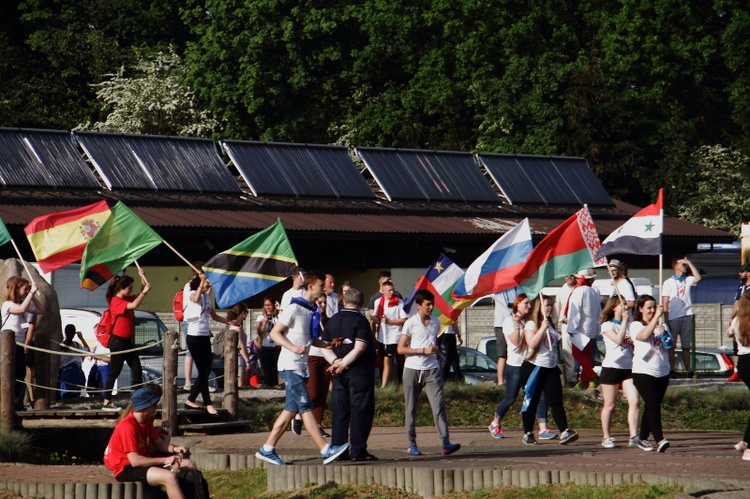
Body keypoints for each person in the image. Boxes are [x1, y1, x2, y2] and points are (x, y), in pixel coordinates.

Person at [254, 272, 349, 466]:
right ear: (310, 287)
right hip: (290, 365)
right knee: (306, 407)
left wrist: (327, 345)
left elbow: (309, 339)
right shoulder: (294, 308)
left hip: (300, 366)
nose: (324, 289)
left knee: (291, 409)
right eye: (321, 286)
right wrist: (292, 347)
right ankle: (325, 449)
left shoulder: (309, 309)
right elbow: (274, 333)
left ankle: (267, 449)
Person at [104, 386, 209, 499]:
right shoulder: (127, 426)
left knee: (189, 464)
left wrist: (175, 449)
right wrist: (165, 460)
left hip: (142, 464)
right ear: (146, 406)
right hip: (127, 469)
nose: (156, 406)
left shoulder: (145, 421)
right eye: (154, 404)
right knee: (169, 477)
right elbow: (135, 461)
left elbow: (160, 445)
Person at [397, 289, 461, 456]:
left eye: (432, 304)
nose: (431, 307)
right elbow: (400, 348)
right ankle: (411, 444)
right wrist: (421, 351)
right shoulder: (410, 323)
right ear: (418, 306)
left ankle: (445, 442)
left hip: (432, 370)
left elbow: (434, 344)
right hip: (412, 369)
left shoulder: (435, 322)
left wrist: (437, 357)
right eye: (428, 304)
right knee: (411, 408)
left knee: (439, 406)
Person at [320, 286, 378, 461]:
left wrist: (335, 362)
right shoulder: (361, 321)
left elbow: (323, 347)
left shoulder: (333, 320)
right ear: (361, 303)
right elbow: (359, 348)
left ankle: (339, 449)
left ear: (343, 301)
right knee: (361, 410)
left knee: (340, 411)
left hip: (338, 374)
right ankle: (358, 450)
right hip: (359, 372)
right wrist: (344, 363)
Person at [518, 296, 578, 446]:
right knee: (532, 401)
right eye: (547, 305)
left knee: (556, 399)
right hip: (534, 367)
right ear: (539, 306)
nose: (550, 308)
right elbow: (531, 343)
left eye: (551, 305)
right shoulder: (532, 324)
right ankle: (528, 433)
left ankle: (565, 431)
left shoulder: (549, 323)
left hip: (550, 367)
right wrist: (542, 328)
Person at [184, 273, 234, 416]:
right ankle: (208, 403)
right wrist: (202, 281)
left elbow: (213, 315)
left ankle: (191, 400)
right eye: (207, 282)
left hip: (205, 337)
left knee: (206, 369)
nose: (209, 284)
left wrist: (228, 322)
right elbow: (195, 298)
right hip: (194, 337)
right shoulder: (192, 293)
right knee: (203, 371)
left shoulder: (206, 297)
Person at [102, 271, 150, 411]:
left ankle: (138, 400)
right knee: (114, 371)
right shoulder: (116, 301)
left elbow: (140, 295)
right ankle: (106, 401)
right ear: (121, 288)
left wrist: (142, 277)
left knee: (137, 369)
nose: (131, 290)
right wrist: (144, 292)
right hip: (117, 341)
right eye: (129, 288)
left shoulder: (126, 299)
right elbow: (134, 305)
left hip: (127, 341)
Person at [630, 295, 671, 452]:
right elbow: (644, 336)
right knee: (653, 405)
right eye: (649, 307)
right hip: (643, 371)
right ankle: (660, 439)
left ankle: (642, 439)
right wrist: (656, 320)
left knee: (652, 405)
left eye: (654, 307)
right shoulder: (635, 325)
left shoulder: (662, 324)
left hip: (662, 371)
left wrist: (664, 333)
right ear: (640, 309)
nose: (652, 310)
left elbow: (669, 344)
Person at [488, 294, 531, 439]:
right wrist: (518, 326)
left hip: (529, 364)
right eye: (526, 303)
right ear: (517, 305)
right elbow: (515, 343)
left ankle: (542, 427)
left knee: (535, 395)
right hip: (515, 366)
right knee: (510, 397)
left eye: (529, 303)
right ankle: (495, 423)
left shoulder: (530, 321)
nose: (529, 306)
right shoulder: (509, 322)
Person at [599, 296, 640, 449]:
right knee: (610, 404)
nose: (625, 308)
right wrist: (623, 322)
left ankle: (634, 435)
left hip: (628, 368)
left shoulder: (629, 325)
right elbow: (617, 339)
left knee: (634, 400)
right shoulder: (607, 325)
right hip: (611, 368)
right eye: (621, 305)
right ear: (614, 308)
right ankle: (606, 436)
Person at [1, 277, 44, 411]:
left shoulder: (23, 302)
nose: (26, 291)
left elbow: (41, 310)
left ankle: (15, 402)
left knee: (20, 372)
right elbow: (21, 309)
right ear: (17, 289)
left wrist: (33, 295)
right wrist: (31, 294)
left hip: (19, 343)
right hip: (8, 343)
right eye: (25, 289)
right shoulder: (8, 304)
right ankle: (8, 403)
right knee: (9, 373)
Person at [662, 257, 701, 378]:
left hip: (687, 315)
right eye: (682, 264)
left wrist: (689, 262)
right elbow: (665, 301)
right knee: (672, 346)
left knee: (686, 346)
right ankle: (672, 369)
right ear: (676, 266)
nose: (684, 266)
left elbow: (698, 278)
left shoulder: (688, 279)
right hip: (674, 317)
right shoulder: (668, 282)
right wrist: (666, 318)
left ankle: (688, 370)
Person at [566, 269, 601, 389]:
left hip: (580, 329)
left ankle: (592, 375)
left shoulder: (579, 291)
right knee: (586, 356)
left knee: (577, 354)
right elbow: (598, 312)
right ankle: (584, 382)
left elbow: (575, 312)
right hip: (591, 329)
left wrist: (571, 327)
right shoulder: (595, 291)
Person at [371, 281, 407, 387]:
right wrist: (378, 320)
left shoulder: (399, 302)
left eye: (393, 290)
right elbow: (374, 316)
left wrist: (389, 321)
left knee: (387, 360)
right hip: (383, 336)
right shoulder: (378, 301)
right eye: (389, 290)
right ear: (383, 291)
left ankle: (383, 385)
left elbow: (404, 319)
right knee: (387, 362)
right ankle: (393, 383)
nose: (392, 292)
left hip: (395, 336)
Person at [728, 291, 750, 460]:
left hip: (742, 362)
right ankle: (747, 447)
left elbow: (728, 332)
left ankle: (744, 442)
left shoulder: (737, 321)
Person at [212, 303, 251, 388]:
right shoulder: (236, 327)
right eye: (246, 312)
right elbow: (241, 346)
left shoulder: (233, 324)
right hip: (238, 358)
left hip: (236, 357)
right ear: (243, 312)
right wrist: (247, 361)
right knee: (240, 385)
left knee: (240, 384)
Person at [726, 264, 750, 383]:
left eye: (742, 272)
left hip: (748, 317)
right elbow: (736, 302)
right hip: (740, 318)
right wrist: (732, 317)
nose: (739, 274)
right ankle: (736, 371)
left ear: (748, 273)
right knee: (737, 346)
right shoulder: (741, 287)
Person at [555, 275, 578, 386]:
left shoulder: (581, 289)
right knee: (568, 353)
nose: (569, 277)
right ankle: (571, 378)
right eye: (567, 276)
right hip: (566, 325)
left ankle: (583, 377)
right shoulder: (561, 292)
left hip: (580, 327)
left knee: (581, 353)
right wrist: (553, 326)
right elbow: (556, 310)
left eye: (571, 275)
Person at [58, 324, 88, 400]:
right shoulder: (76, 345)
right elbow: (87, 350)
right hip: (75, 371)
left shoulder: (60, 346)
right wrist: (81, 338)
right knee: (74, 394)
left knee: (65, 394)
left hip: (65, 371)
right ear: (74, 334)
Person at [256, 296, 281, 388]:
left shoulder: (279, 316)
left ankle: (276, 386)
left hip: (276, 346)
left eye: (269, 305)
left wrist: (279, 310)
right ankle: (268, 387)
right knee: (266, 370)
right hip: (265, 347)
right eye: (266, 305)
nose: (268, 307)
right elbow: (259, 332)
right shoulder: (261, 317)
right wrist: (265, 323)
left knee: (275, 369)